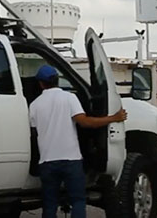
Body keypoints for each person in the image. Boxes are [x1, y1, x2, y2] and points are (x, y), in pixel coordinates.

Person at [28, 64, 128, 218]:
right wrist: (114, 118)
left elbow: (34, 131)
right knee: (78, 201)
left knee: (49, 204)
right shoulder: (69, 98)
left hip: (47, 161)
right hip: (71, 160)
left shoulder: (34, 105)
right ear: (57, 80)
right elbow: (85, 122)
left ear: (40, 83)